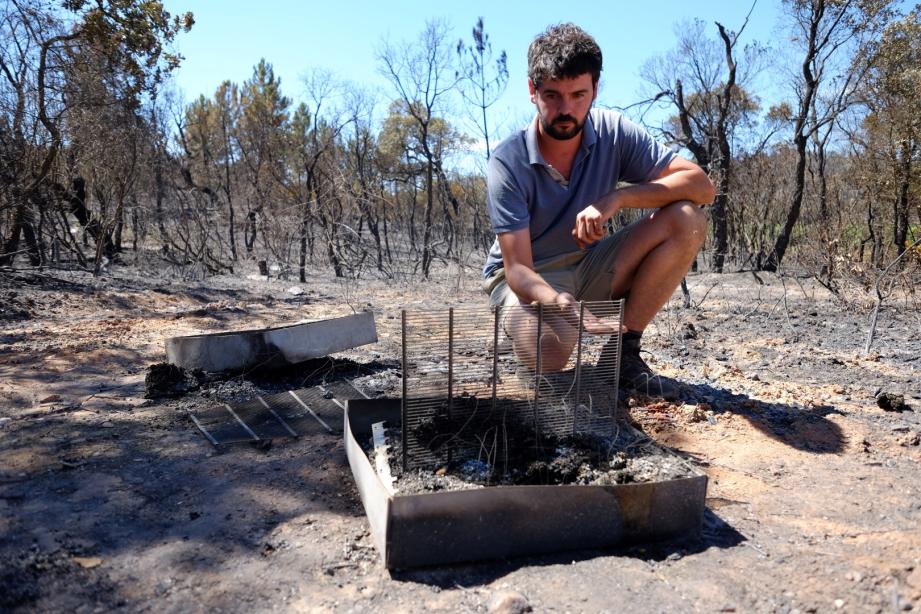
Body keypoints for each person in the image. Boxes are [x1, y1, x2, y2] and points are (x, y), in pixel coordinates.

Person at [482, 23, 715, 401]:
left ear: (595, 90)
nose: (566, 109)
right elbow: (518, 270)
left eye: (578, 95)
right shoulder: (508, 162)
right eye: (552, 95)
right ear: (532, 91)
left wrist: (617, 199)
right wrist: (558, 301)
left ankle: (624, 356)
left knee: (687, 219)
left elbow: (701, 186)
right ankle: (526, 346)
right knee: (551, 351)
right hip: (532, 277)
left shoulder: (613, 131)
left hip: (592, 264)